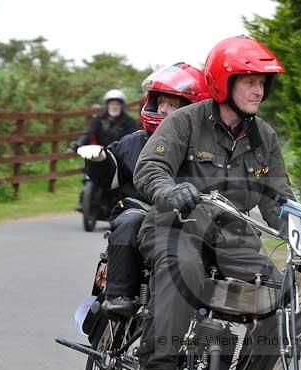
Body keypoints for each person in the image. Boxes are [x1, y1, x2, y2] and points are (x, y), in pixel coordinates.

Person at [132, 36, 295, 370]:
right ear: (224, 82)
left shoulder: (263, 137)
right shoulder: (186, 121)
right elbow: (150, 167)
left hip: (231, 239)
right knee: (184, 265)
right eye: (250, 81)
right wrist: (170, 190)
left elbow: (279, 198)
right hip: (175, 226)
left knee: (281, 290)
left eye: (262, 83)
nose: (259, 91)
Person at [78, 63, 210, 316]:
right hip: (139, 208)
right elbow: (111, 174)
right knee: (131, 221)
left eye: (172, 104)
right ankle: (119, 295)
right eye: (160, 101)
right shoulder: (135, 141)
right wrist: (98, 161)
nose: (162, 109)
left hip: (185, 220)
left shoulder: (203, 151)